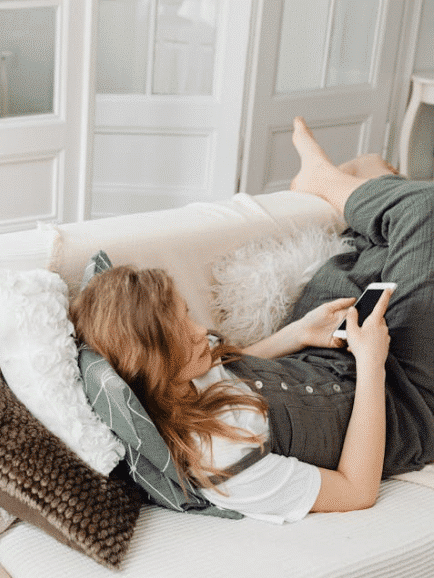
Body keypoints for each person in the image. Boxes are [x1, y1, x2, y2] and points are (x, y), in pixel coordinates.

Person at [71, 116, 434, 524]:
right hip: (401, 399)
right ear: (152, 367)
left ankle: (363, 183)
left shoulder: (182, 375)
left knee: (358, 254)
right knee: (423, 213)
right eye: (182, 336)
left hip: (324, 353)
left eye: (187, 316)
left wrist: (299, 332)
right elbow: (355, 489)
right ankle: (334, 180)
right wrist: (371, 364)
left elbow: (233, 362)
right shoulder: (223, 463)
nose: (201, 332)